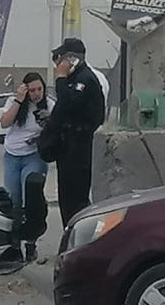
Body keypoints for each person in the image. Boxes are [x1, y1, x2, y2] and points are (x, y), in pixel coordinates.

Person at [39, 38, 106, 226]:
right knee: (66, 197)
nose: (58, 64)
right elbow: (65, 109)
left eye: (62, 59)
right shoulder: (74, 79)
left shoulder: (84, 79)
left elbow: (68, 102)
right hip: (67, 147)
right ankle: (70, 233)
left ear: (73, 59)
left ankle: (78, 235)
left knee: (75, 199)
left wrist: (60, 78)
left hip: (79, 147)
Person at [0, 73, 54, 264]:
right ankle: (14, 246)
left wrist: (46, 127)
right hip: (12, 155)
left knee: (31, 198)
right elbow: (4, 123)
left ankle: (31, 244)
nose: (36, 94)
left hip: (34, 156)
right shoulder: (14, 101)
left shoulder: (49, 105)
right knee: (14, 200)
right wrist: (19, 100)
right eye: (32, 90)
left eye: (39, 89)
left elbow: (56, 128)